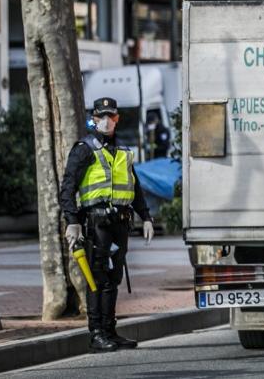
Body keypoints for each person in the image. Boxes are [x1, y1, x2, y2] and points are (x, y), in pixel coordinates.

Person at [59, 98, 154, 352]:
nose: (106, 120)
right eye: (101, 116)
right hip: (96, 223)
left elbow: (135, 187)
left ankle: (110, 331)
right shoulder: (84, 148)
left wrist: (145, 217)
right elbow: (67, 188)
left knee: (114, 278)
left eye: (111, 116)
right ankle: (97, 333)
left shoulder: (123, 152)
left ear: (117, 119)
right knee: (97, 279)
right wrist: (72, 222)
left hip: (120, 223)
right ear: (94, 117)